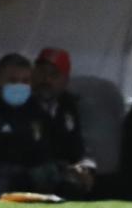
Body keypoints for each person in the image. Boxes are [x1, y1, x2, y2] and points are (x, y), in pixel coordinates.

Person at [0, 53, 93, 198]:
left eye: (25, 81)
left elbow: (43, 150)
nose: (19, 86)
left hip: (18, 182)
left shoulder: (33, 110)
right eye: (12, 80)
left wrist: (59, 170)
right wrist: (26, 174)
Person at [31, 47, 96, 193]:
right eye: (42, 72)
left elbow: (78, 147)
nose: (46, 80)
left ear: (65, 80)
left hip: (63, 177)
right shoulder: (21, 105)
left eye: (54, 74)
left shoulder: (69, 107)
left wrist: (85, 167)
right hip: (32, 179)